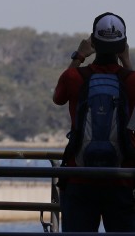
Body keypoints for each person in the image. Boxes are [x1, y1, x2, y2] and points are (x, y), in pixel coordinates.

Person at [53, 12, 135, 232]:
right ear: (123, 44)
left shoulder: (73, 77)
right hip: (122, 179)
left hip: (79, 178)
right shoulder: (132, 80)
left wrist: (79, 56)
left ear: (93, 42)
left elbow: (58, 98)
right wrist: (126, 61)